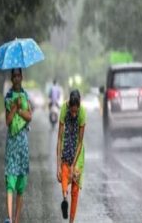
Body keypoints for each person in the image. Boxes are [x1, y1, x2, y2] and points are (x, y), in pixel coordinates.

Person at [4, 68, 32, 223]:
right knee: (10, 181)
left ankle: (16, 220)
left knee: (21, 184)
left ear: (21, 77)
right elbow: (7, 121)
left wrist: (20, 109)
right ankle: (9, 217)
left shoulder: (26, 95)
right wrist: (14, 106)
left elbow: (30, 116)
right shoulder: (8, 97)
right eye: (13, 76)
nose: (16, 78)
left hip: (23, 144)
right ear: (11, 78)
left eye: (18, 75)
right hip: (12, 144)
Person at [56, 89, 86, 223]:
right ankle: (64, 199)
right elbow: (59, 138)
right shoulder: (63, 108)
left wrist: (74, 164)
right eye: (72, 111)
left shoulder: (82, 112)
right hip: (65, 148)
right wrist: (57, 166)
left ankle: (71, 221)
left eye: (76, 111)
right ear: (69, 106)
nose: (74, 114)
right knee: (63, 176)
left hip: (77, 153)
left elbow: (80, 142)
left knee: (75, 188)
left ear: (78, 106)